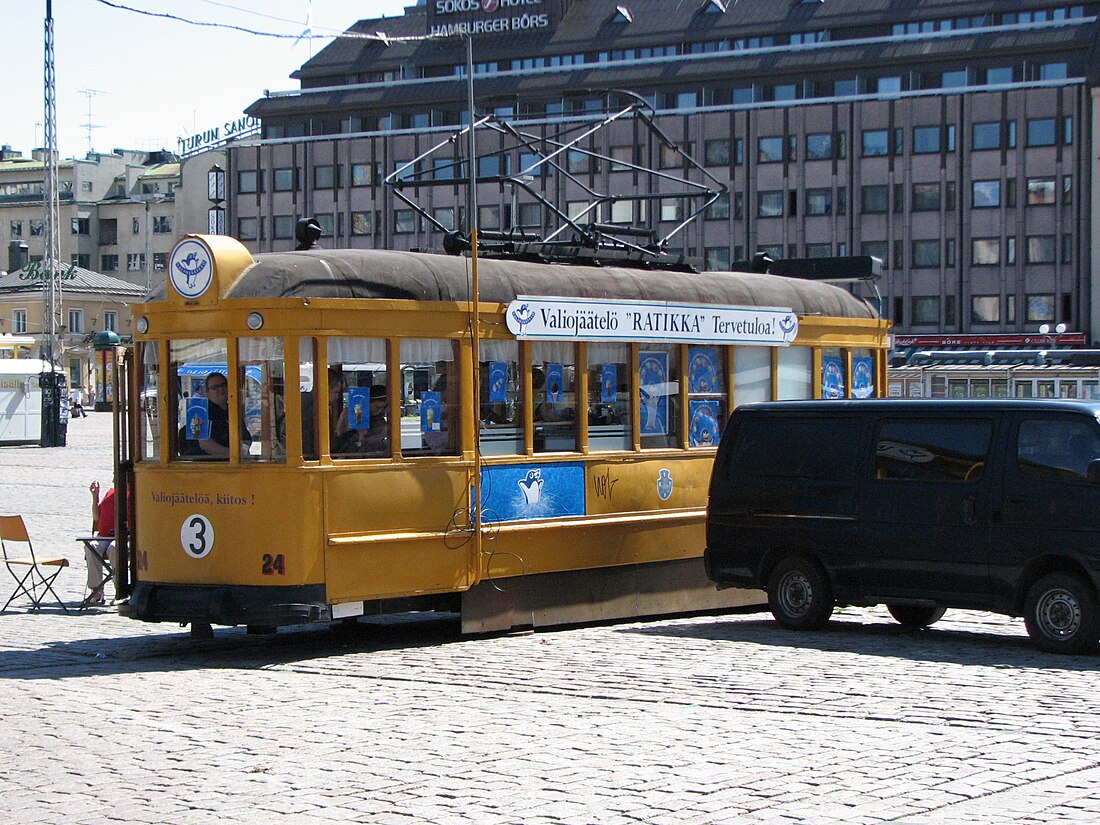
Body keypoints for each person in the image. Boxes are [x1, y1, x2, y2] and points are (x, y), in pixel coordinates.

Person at [179, 372, 253, 457]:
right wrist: (234, 455)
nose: (221, 389)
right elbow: (205, 445)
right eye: (215, 387)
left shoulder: (233, 412)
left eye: (223, 385)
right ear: (207, 392)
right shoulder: (199, 411)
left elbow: (245, 439)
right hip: (207, 465)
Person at [86, 480, 118, 605]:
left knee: (114, 549)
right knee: (91, 546)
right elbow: (96, 517)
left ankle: (120, 591)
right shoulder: (110, 492)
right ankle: (96, 591)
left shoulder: (134, 492)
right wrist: (95, 497)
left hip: (122, 537)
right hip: (103, 535)